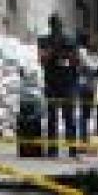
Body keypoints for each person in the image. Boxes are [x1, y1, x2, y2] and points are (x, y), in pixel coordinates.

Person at [38, 14, 80, 158]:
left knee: (69, 118)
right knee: (52, 118)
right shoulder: (44, 41)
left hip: (67, 83)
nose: (57, 29)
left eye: (58, 26)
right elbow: (42, 60)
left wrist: (66, 55)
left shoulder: (69, 40)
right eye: (54, 26)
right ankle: (53, 149)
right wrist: (53, 52)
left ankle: (72, 148)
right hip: (52, 83)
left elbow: (76, 61)